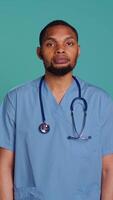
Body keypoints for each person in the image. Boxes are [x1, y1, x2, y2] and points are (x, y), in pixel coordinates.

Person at [0, 20, 113, 200]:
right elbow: (4, 165)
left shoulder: (100, 101)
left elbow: (109, 169)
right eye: (50, 43)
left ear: (78, 50)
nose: (60, 49)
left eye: (69, 43)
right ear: (39, 52)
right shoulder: (16, 100)